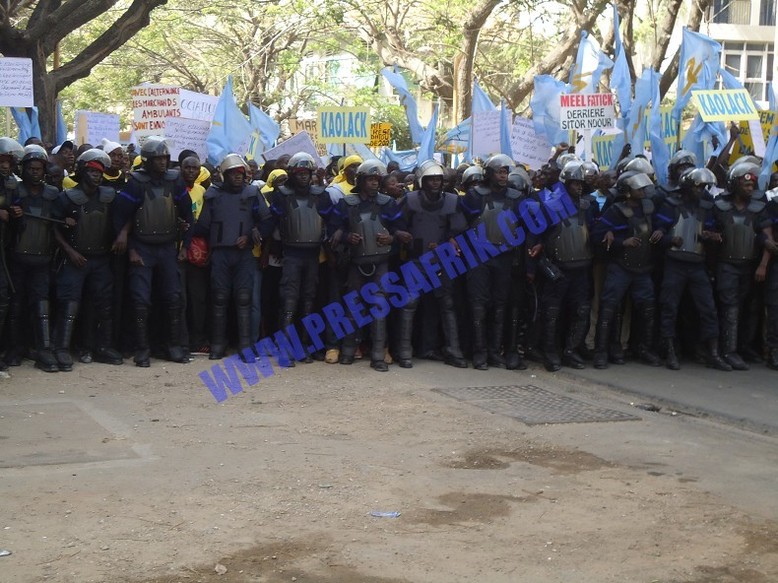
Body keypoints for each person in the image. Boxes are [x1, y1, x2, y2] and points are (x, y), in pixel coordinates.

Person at [113, 137, 193, 367]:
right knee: (140, 301)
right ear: (146, 161)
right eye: (157, 159)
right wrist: (130, 250)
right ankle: (142, 349)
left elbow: (188, 214)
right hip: (142, 248)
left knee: (174, 299)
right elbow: (120, 216)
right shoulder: (136, 183)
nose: (162, 162)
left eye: (165, 158)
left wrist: (184, 246)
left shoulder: (174, 181)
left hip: (168, 248)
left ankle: (173, 346)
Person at [51, 149, 124, 371]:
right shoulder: (66, 197)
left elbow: (124, 218)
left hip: (101, 259)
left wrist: (121, 235)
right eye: (92, 171)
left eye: (99, 172)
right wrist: (69, 251)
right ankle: (61, 348)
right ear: (82, 172)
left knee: (103, 305)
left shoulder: (109, 196)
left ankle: (100, 347)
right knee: (70, 304)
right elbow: (52, 227)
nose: (96, 175)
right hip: (75, 259)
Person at [195, 154, 272, 362]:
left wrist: (250, 236)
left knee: (244, 299)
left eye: (241, 173)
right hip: (220, 254)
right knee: (219, 299)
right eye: (234, 173)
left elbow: (266, 220)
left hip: (243, 254)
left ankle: (245, 346)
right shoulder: (213, 194)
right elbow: (203, 224)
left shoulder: (252, 192)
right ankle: (218, 345)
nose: (238, 177)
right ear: (225, 175)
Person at [334, 160, 409, 371]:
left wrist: (392, 238)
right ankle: (348, 350)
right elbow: (334, 230)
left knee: (379, 306)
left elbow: (399, 229)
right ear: (361, 180)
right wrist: (347, 236)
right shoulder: (346, 203)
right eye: (370, 179)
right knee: (352, 306)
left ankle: (378, 355)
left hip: (381, 262)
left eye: (377, 179)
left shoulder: (388, 203)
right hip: (355, 262)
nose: (375, 183)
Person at [653, 168, 731, 371]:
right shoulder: (671, 204)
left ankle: (713, 352)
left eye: (704, 187)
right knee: (669, 307)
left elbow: (713, 229)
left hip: (697, 263)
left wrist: (711, 236)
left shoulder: (707, 207)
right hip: (675, 262)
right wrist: (670, 239)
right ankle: (669, 350)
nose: (701, 190)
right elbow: (658, 231)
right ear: (688, 186)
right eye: (698, 186)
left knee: (708, 308)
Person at [396, 160, 468, 369]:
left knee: (447, 305)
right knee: (410, 304)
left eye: (438, 178)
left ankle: (453, 350)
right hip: (416, 258)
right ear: (422, 181)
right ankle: (404, 351)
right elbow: (397, 224)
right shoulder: (409, 200)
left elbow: (458, 229)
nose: (436, 182)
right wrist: (401, 235)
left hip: (442, 260)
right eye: (431, 179)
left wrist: (445, 242)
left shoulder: (453, 201)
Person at [459, 154, 527, 370]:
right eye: (499, 171)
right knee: (479, 306)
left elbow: (525, 226)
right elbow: (463, 224)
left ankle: (494, 351)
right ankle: (479, 352)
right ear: (489, 174)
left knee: (500, 305)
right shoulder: (474, 196)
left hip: (504, 257)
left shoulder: (516, 198)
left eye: (505, 172)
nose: (503, 175)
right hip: (479, 257)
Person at [270, 152, 338, 364]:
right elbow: (272, 223)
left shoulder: (321, 194)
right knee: (289, 302)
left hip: (313, 255)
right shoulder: (281, 194)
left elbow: (332, 220)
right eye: (299, 172)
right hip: (290, 254)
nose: (303, 177)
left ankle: (305, 346)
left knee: (309, 302)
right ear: (292, 173)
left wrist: (336, 236)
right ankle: (285, 350)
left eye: (306, 173)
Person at [592, 171, 661, 369]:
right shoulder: (615, 210)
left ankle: (644, 348)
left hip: (643, 268)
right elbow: (597, 236)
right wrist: (622, 242)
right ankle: (602, 351)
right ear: (627, 191)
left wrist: (661, 231)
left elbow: (659, 227)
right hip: (620, 266)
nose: (642, 191)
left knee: (647, 309)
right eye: (638, 188)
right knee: (609, 308)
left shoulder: (648, 208)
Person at [536, 160, 598, 371]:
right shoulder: (550, 207)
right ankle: (550, 351)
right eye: (574, 183)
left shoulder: (588, 206)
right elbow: (537, 238)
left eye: (581, 183)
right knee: (552, 313)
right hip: (558, 268)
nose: (579, 187)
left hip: (581, 268)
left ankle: (571, 350)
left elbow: (594, 232)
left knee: (581, 311)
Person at [712, 163, 773, 370]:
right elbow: (707, 230)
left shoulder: (758, 208)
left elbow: (767, 238)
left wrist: (763, 265)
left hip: (749, 266)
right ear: (735, 184)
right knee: (730, 307)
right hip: (726, 265)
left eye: (751, 185)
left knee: (748, 308)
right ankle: (728, 351)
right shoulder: (719, 206)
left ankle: (742, 347)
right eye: (745, 185)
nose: (749, 188)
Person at [6, 145, 61, 372]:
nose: (35, 172)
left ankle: (43, 351)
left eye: (38, 168)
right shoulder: (14, 191)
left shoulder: (53, 194)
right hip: (17, 258)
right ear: (24, 169)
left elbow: (62, 220)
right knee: (16, 306)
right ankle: (14, 349)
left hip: (42, 259)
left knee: (41, 306)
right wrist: (11, 214)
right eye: (30, 168)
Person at [0, 137, 24, 371]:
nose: (6, 164)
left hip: (4, 251)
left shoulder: (11, 185)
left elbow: (17, 219)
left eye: (9, 160)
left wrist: (16, 214)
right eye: (2, 160)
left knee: (3, 300)